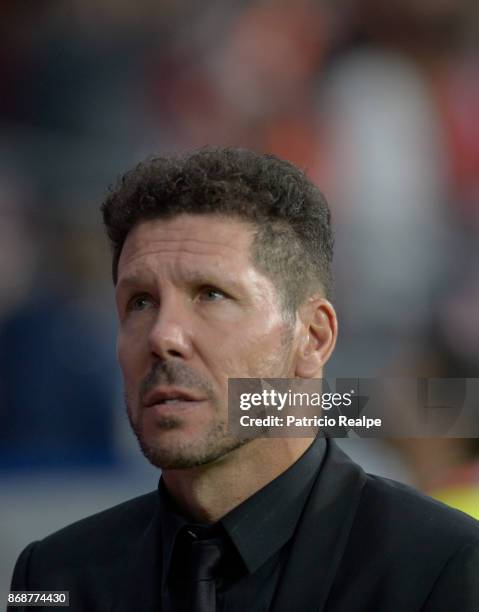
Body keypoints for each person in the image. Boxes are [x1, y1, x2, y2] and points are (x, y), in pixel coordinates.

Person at [8, 147, 479, 611]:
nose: (163, 335)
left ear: (313, 338)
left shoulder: (442, 568)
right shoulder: (51, 578)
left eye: (210, 295)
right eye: (140, 302)